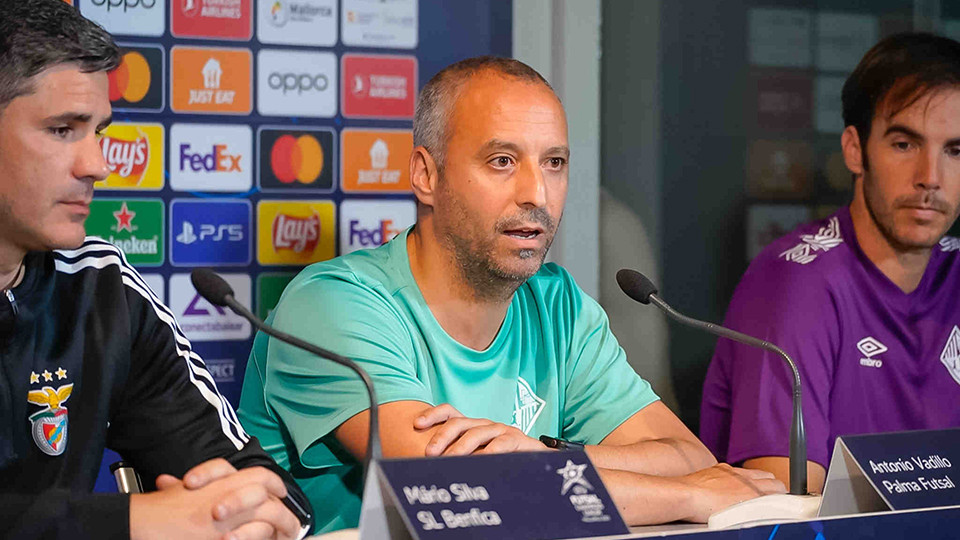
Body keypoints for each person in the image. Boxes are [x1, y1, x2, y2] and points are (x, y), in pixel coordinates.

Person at [238, 56, 785, 534]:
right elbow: (459, 493)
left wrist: (548, 455)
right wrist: (690, 497)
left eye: (554, 163)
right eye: (502, 161)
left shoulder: (558, 306)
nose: (536, 194)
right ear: (426, 175)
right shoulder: (334, 303)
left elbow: (687, 454)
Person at [0, 2, 311, 538]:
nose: (96, 164)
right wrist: (136, 523)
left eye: (98, 131)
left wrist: (244, 515)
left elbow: (256, 480)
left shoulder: (98, 285)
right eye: (62, 130)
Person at [700, 32, 960, 493]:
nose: (930, 179)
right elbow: (790, 511)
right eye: (904, 144)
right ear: (855, 150)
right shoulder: (795, 283)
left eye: (955, 151)